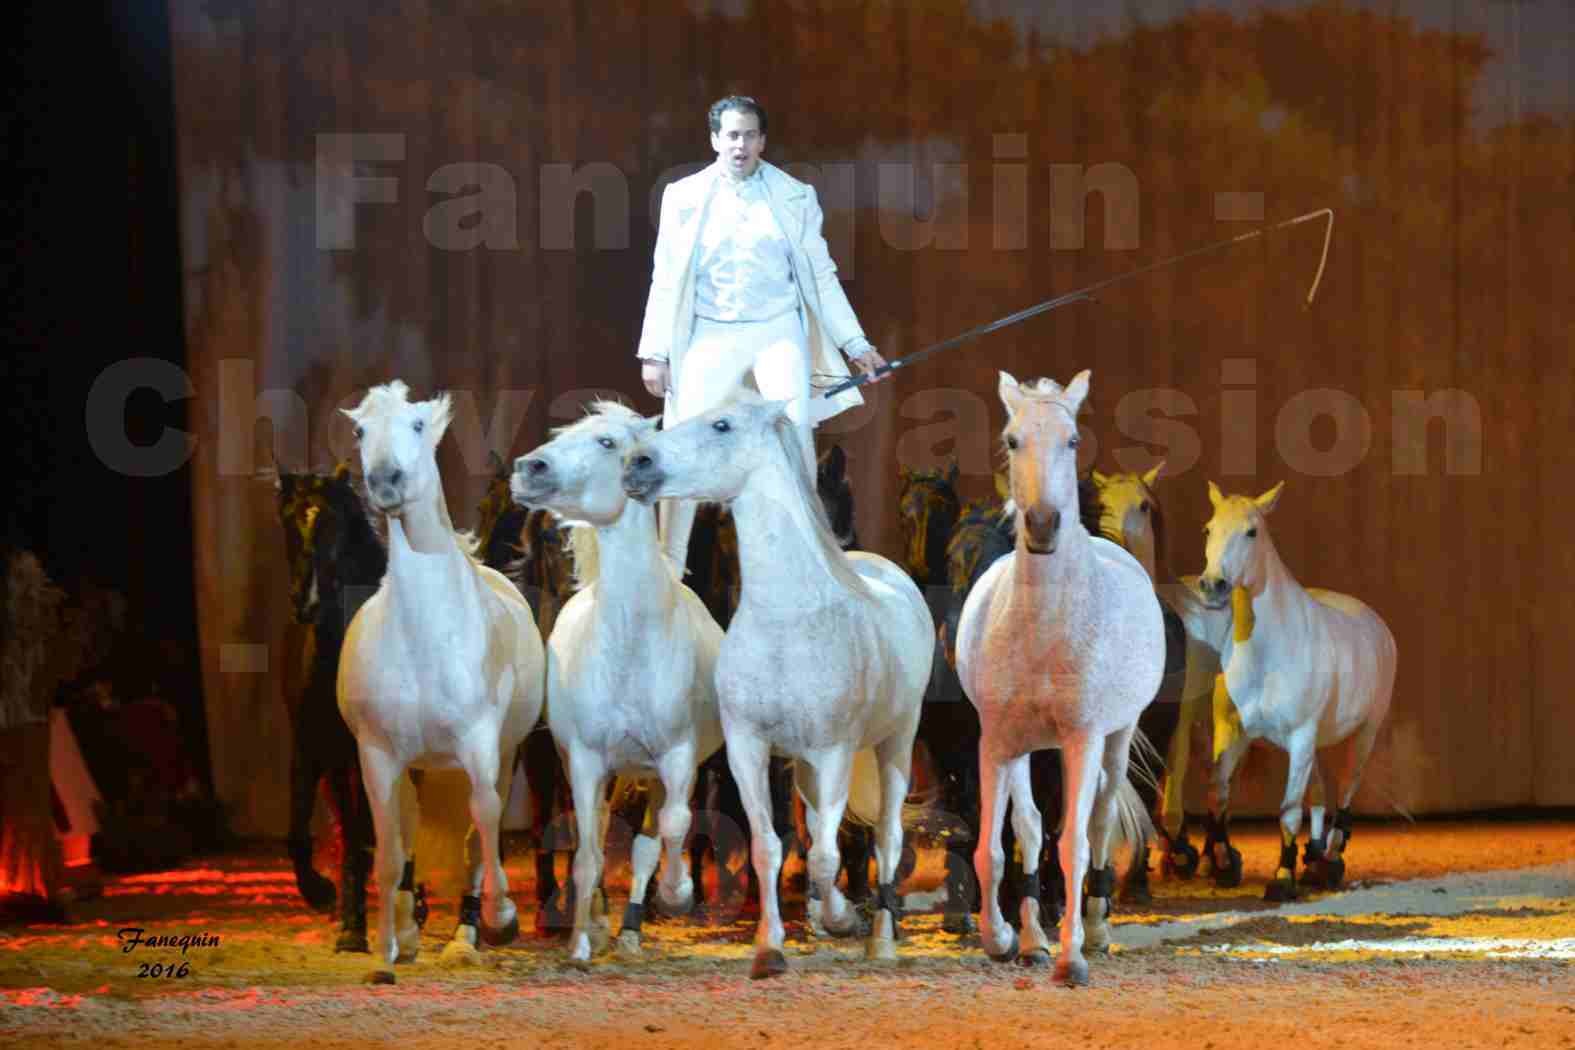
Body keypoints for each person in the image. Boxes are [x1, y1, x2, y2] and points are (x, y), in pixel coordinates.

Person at [637, 95, 886, 564]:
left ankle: (804, 556)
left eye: (750, 135)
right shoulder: (683, 197)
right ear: (715, 140)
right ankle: (669, 564)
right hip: (711, 332)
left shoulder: (794, 196)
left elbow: (821, 275)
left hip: (776, 330)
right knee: (682, 439)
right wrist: (655, 352)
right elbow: (665, 276)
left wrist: (857, 344)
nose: (741, 144)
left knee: (793, 436)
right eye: (732, 135)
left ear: (762, 140)